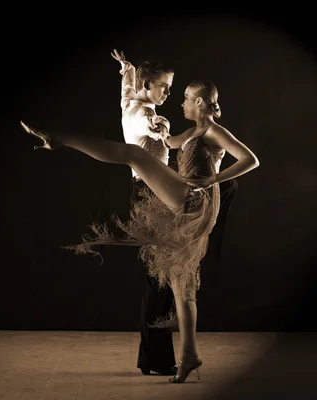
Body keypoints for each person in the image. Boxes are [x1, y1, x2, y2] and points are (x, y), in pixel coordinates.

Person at [20, 76, 260, 383]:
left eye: (186, 97)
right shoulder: (191, 131)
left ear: (200, 102)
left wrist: (212, 180)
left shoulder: (214, 131)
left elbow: (250, 159)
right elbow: (173, 144)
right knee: (180, 282)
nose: (181, 101)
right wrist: (163, 133)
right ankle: (189, 356)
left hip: (195, 201)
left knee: (132, 154)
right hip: (184, 200)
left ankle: (59, 137)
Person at [110, 49, 178, 377]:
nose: (168, 92)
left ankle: (152, 357)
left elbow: (127, 90)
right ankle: (157, 358)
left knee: (158, 276)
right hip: (152, 195)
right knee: (159, 277)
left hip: (146, 193)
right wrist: (158, 125)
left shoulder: (130, 102)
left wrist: (127, 69)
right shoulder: (143, 114)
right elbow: (148, 124)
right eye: (164, 86)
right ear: (149, 84)